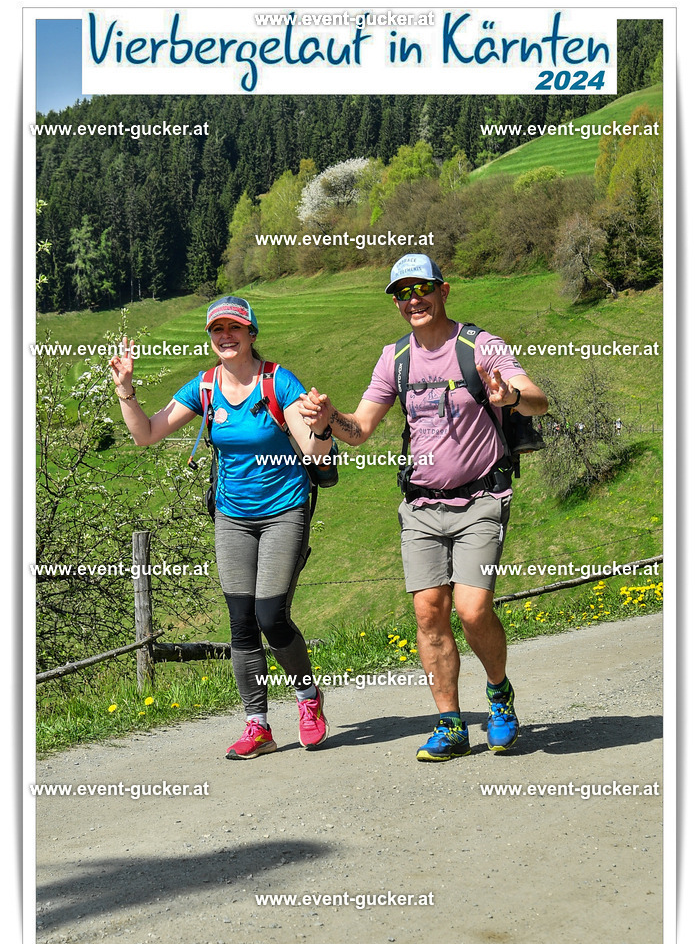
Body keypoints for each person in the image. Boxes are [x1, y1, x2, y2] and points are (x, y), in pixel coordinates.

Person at [301, 254, 548, 762]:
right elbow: (361, 430)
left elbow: (539, 400)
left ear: (443, 290)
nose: (413, 300)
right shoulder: (395, 358)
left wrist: (510, 395)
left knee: (472, 607)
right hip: (420, 505)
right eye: (402, 293)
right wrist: (330, 417)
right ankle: (450, 723)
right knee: (427, 611)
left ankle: (499, 696)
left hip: (481, 496)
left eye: (421, 289)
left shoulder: (480, 345)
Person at [110, 296, 332, 759]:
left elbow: (313, 454)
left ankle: (308, 700)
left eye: (234, 328)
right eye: (217, 330)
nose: (225, 337)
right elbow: (145, 434)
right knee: (240, 622)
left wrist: (323, 425)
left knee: (271, 616)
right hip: (232, 516)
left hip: (284, 509)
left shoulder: (277, 380)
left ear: (251, 333)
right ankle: (258, 727)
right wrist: (126, 392)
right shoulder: (206, 386)